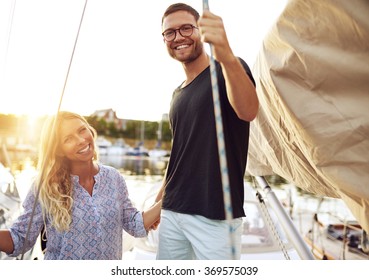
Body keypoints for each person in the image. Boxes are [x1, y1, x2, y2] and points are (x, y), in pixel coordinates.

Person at [155, 3, 259, 260]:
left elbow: (248, 111)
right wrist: (159, 203)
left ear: (201, 30)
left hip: (215, 216)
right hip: (172, 212)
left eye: (186, 28)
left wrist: (225, 53)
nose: (178, 37)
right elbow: (179, 153)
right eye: (170, 32)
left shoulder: (228, 69)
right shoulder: (177, 93)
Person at [0, 111, 161, 260]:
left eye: (82, 130)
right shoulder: (45, 186)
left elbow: (135, 225)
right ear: (59, 150)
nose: (81, 140)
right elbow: (20, 239)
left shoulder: (114, 177)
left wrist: (168, 198)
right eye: (68, 139)